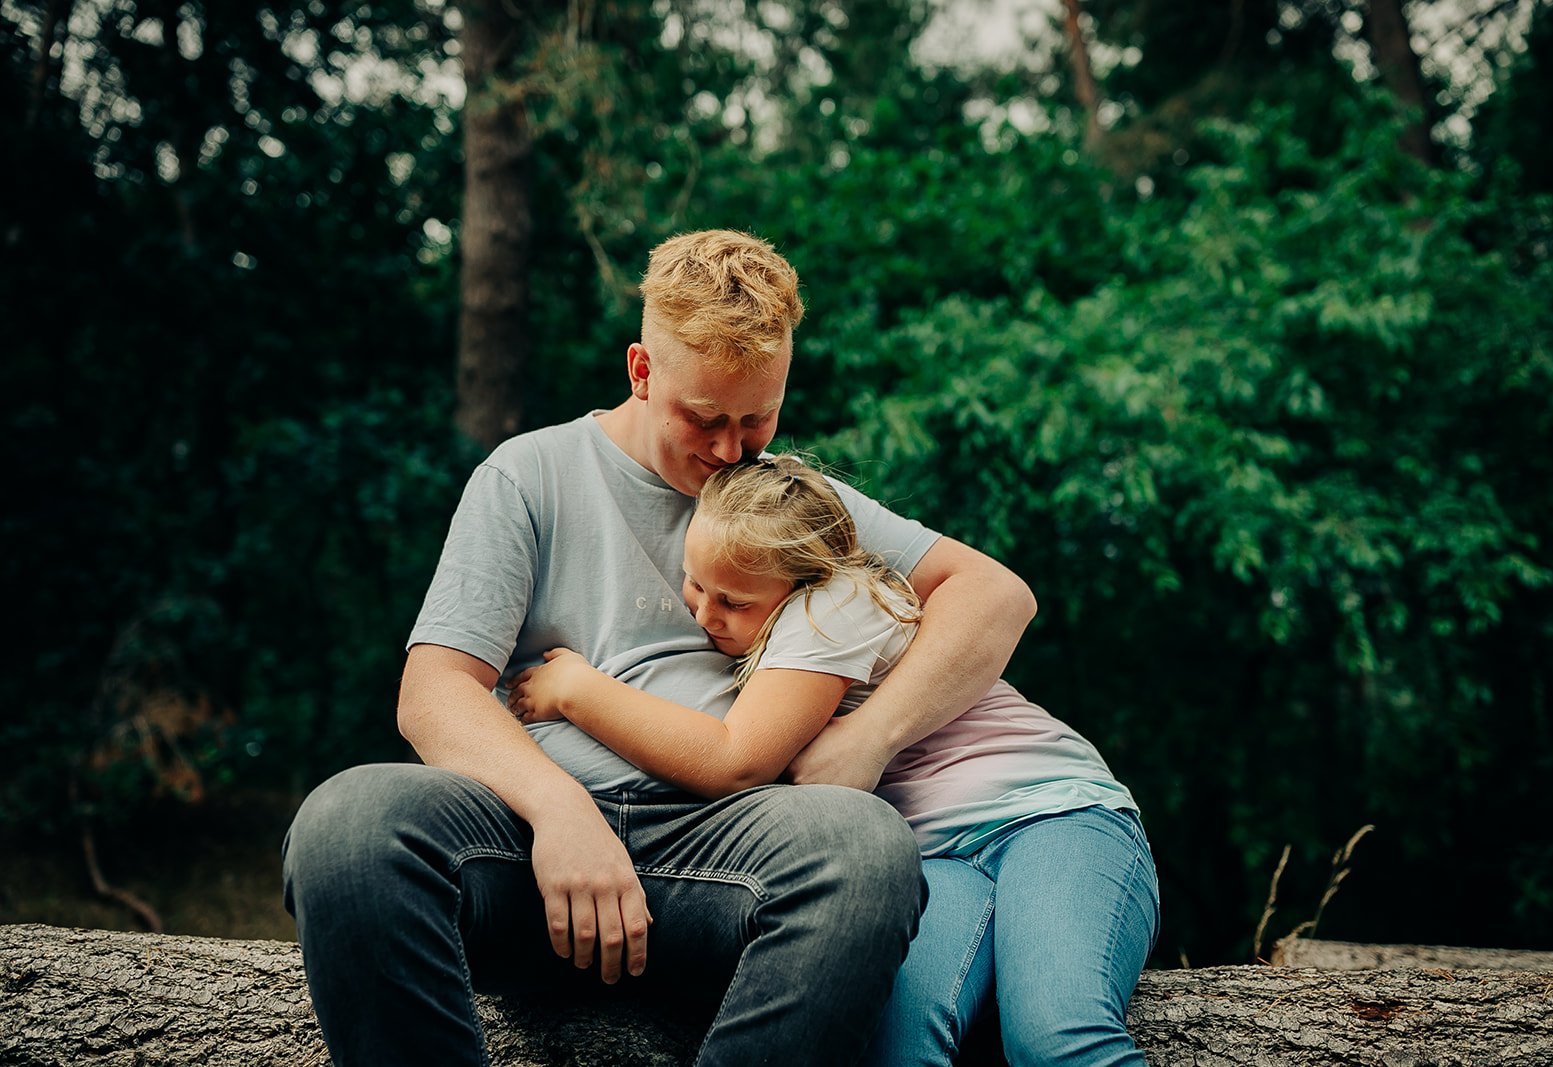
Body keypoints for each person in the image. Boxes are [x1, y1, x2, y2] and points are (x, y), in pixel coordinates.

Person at [279, 229, 1038, 1067]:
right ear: (641, 372)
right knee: (347, 826)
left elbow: (994, 595)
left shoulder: (783, 498)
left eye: (758, 417)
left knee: (864, 846)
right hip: (527, 856)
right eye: (705, 418)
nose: (729, 451)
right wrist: (557, 809)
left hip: (726, 853)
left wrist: (870, 735)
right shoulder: (528, 475)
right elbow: (433, 691)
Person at [506, 455, 1160, 1067]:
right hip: (936, 861)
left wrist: (580, 691)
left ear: (804, 578)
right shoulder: (777, 620)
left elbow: (733, 759)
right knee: (899, 1049)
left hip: (1051, 817)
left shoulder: (836, 604)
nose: (705, 612)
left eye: (732, 601)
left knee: (1054, 1038)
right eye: (695, 583)